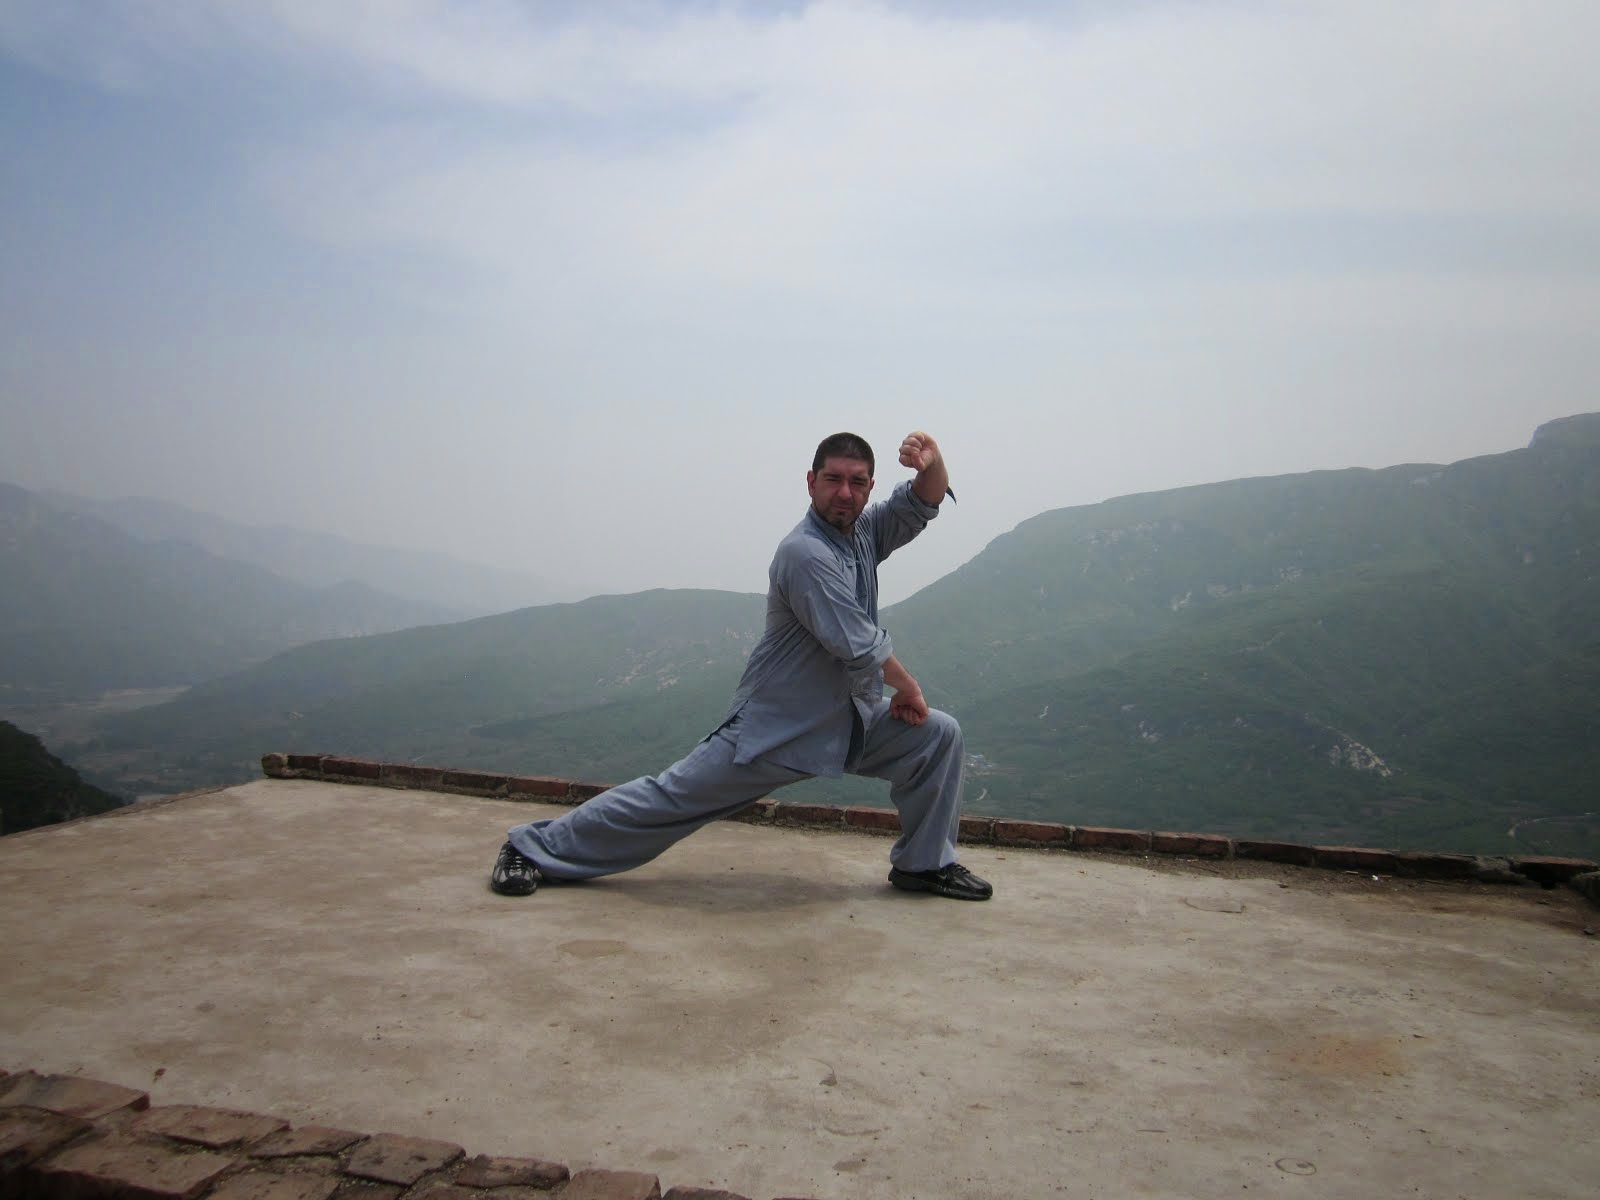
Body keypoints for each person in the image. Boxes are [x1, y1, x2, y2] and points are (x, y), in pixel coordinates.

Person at [489, 430, 991, 902]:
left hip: (849, 719)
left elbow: (923, 501)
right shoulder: (803, 552)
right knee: (672, 798)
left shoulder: (862, 532)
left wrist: (934, 459)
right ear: (811, 482)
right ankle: (532, 847)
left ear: (869, 487)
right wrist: (907, 688)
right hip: (779, 724)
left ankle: (924, 864)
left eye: (857, 482)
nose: (845, 492)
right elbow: (858, 644)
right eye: (834, 479)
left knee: (937, 736)